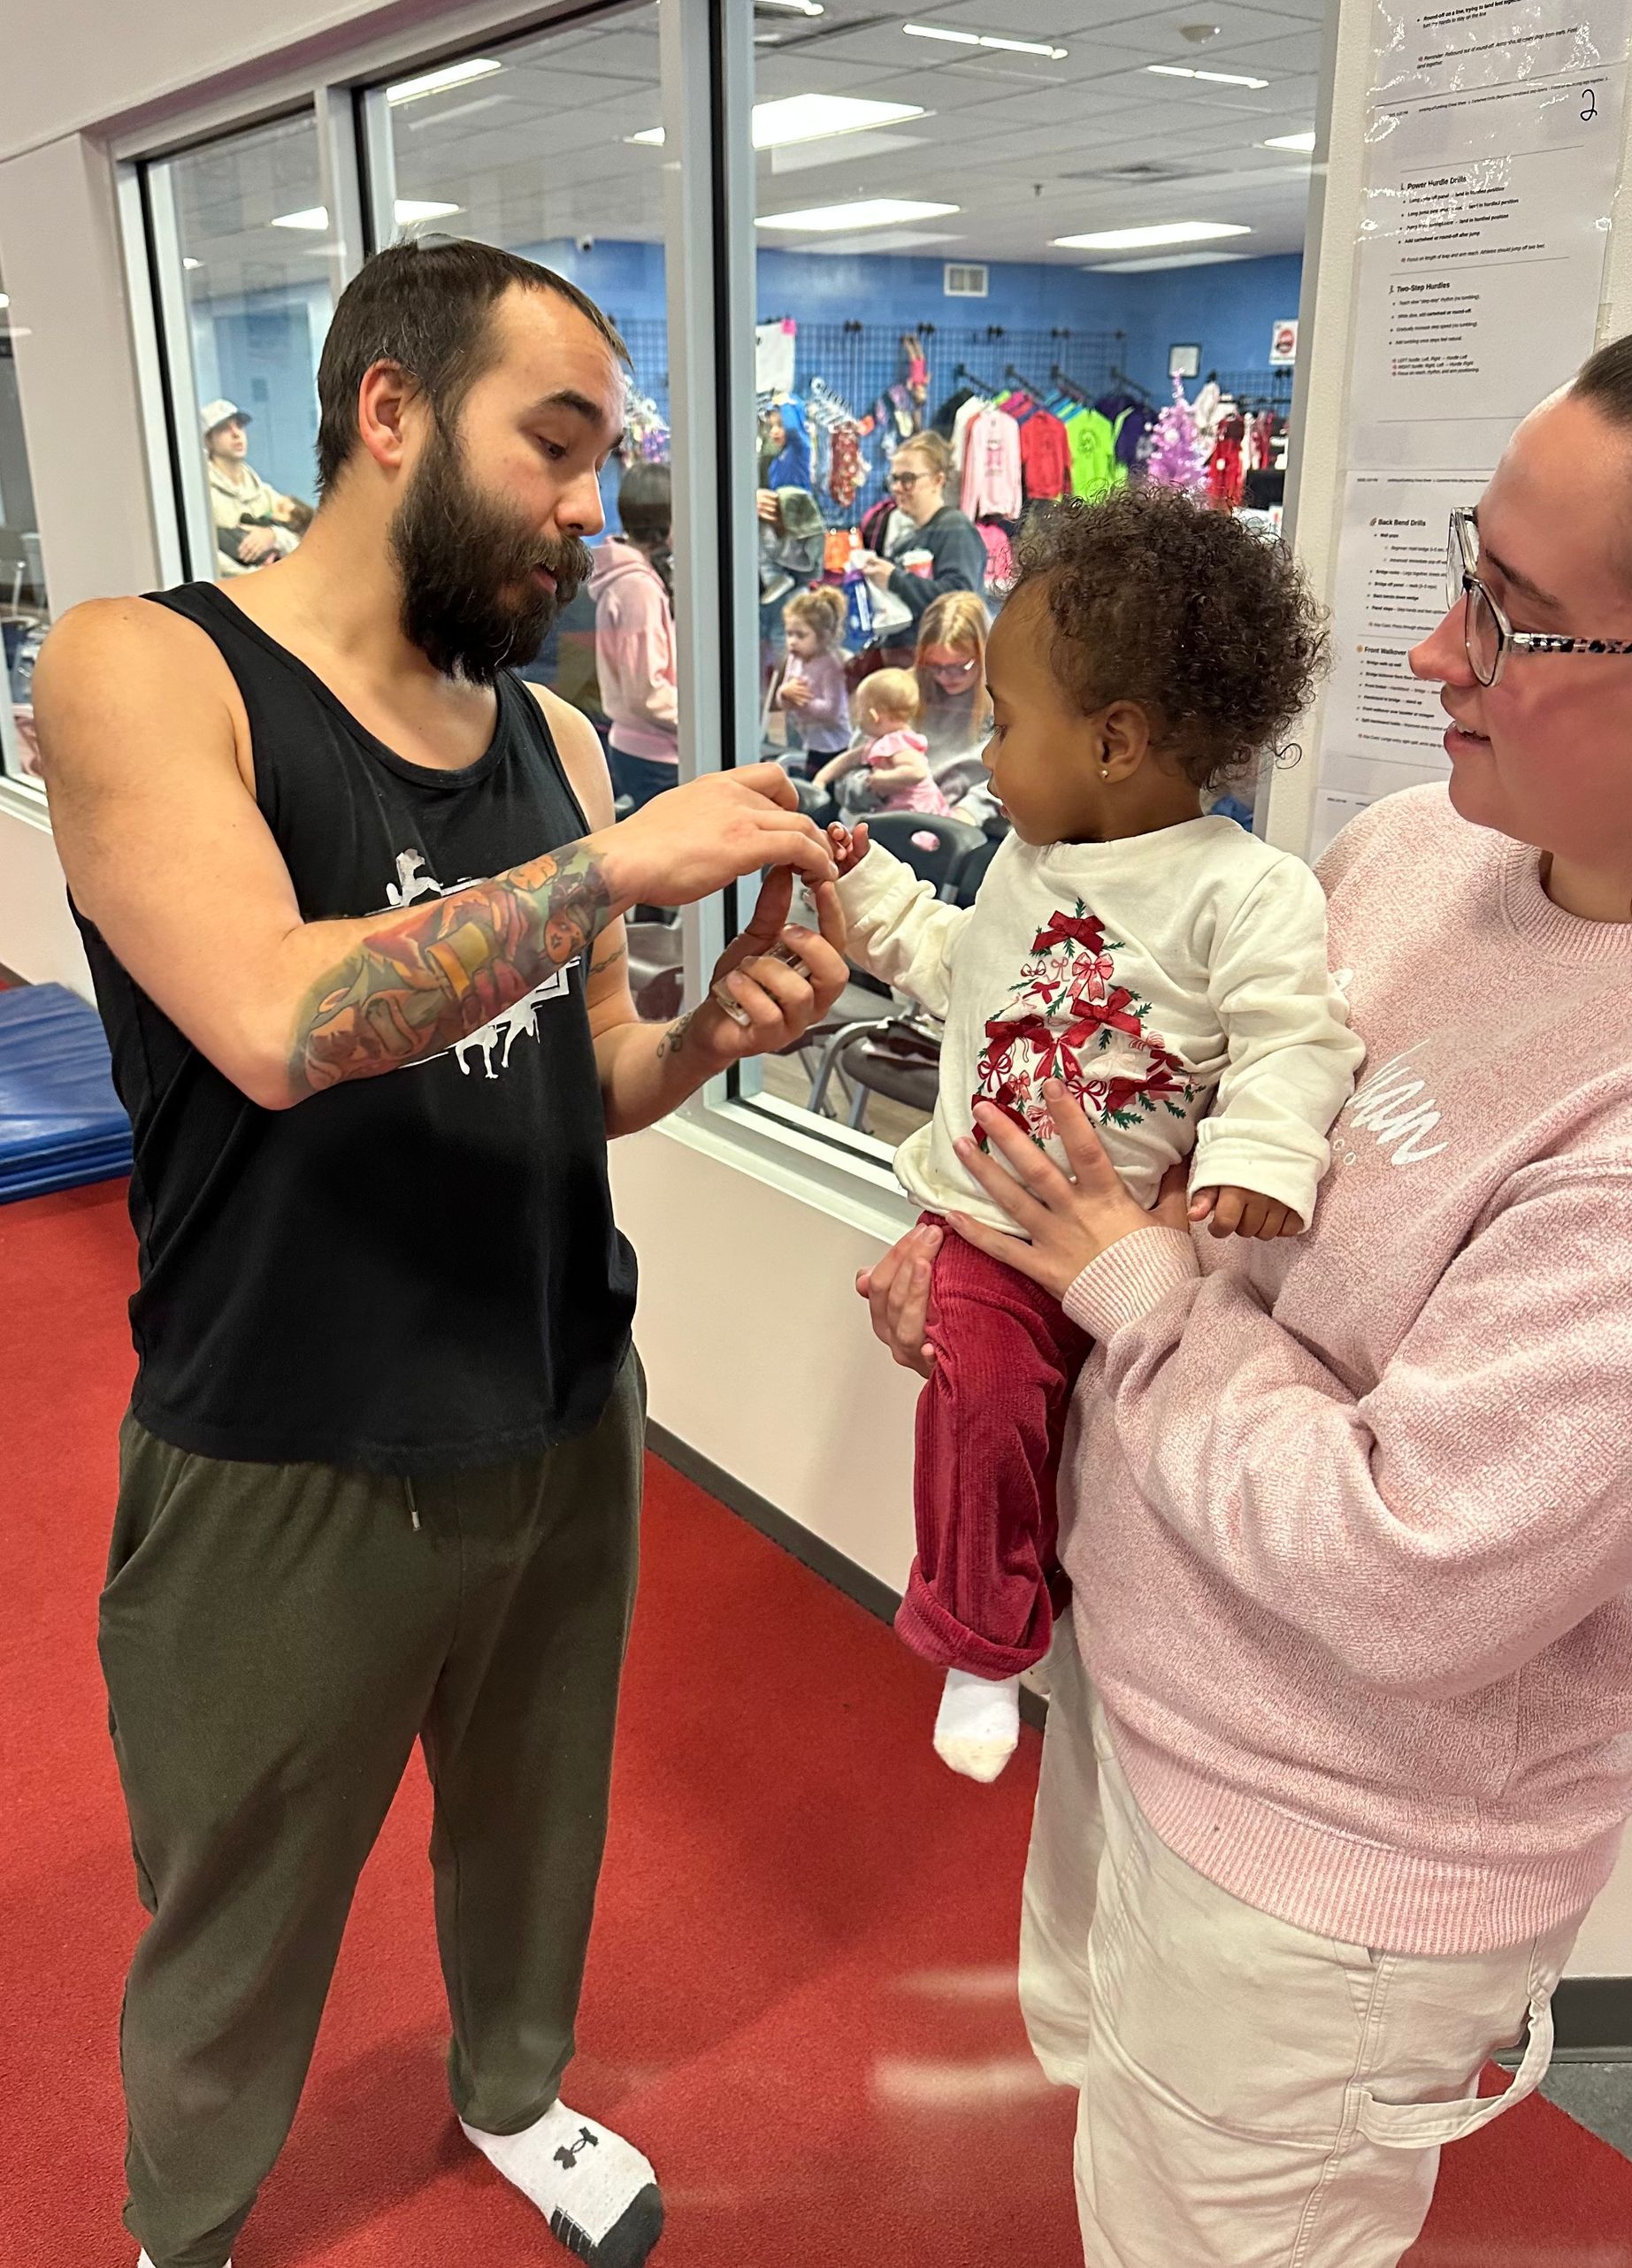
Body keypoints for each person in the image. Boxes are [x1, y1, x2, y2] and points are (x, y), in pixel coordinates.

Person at [33, 236, 847, 2268]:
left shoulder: (545, 740)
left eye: (603, 461)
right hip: (288, 1441)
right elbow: (276, 1018)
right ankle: (181, 2226)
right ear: (389, 415)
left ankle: (512, 2088)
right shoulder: (148, 669)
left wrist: (706, 1037)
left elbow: (591, 1071)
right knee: (241, 1896)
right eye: (553, 446)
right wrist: (608, 869)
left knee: (535, 1825)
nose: (591, 507)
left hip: (559, 1405)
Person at [856, 305, 1632, 2266]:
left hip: (1332, 1851)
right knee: (1113, 2139)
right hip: (1149, 1690)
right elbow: (1175, 1130)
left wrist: (1130, 1294)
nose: (1434, 654)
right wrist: (998, 1248)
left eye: (1517, 619)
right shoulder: (1416, 855)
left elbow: (1413, 1566)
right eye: (1464, 576)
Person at [831, 487, 1360, 1781]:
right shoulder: (1024, 864)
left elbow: (1296, 1038)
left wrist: (1260, 1156)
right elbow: (955, 968)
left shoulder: (1249, 889)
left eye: (1006, 724)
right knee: (981, 1406)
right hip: (992, 1231)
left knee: (1116, 1463)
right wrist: (864, 882)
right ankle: (981, 1636)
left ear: (1115, 740)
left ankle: (1090, 1621)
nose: (989, 754)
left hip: (1133, 1245)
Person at [589, 460, 678, 808]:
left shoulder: (629, 579)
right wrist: (699, 719)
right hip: (655, 752)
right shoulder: (637, 588)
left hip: (639, 744)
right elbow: (646, 690)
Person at [856, 431, 986, 662]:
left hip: (939, 667)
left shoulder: (954, 530)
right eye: (894, 479)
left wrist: (894, 579)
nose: (898, 488)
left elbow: (958, 601)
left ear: (938, 480)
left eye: (908, 479)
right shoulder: (908, 540)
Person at [814, 668, 949, 817]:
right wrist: (821, 778)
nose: (858, 719)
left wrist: (882, 778)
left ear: (873, 716)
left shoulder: (899, 743)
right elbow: (848, 759)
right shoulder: (881, 741)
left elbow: (917, 772)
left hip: (917, 812)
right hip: (898, 812)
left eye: (860, 712)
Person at [202, 399, 313, 573]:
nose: (236, 434)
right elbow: (205, 555)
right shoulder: (203, 495)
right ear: (208, 441)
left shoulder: (262, 492)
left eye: (239, 426)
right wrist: (256, 575)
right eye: (224, 428)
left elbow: (308, 539)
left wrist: (273, 536)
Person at [912, 589, 994, 814]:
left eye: (960, 667)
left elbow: (1019, 776)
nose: (945, 677)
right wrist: (871, 786)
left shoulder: (1007, 701)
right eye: (934, 666)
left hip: (965, 818)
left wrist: (969, 812)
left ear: (984, 654)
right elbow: (856, 768)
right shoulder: (902, 691)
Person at [776, 585, 851, 776]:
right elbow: (784, 700)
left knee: (824, 784)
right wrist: (784, 693)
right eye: (789, 634)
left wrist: (802, 702)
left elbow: (832, 712)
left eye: (801, 635)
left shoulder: (831, 667)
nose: (792, 641)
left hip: (833, 745)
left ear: (823, 636)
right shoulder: (794, 659)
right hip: (808, 739)